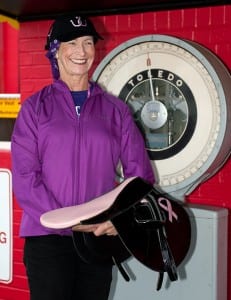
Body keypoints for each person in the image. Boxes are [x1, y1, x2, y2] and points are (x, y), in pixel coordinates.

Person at [11, 15, 155, 300]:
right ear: (55, 50)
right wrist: (68, 221)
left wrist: (121, 220)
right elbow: (26, 177)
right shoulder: (35, 109)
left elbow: (140, 175)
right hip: (47, 240)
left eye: (88, 42)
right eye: (72, 42)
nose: (82, 51)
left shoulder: (116, 111)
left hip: (97, 238)